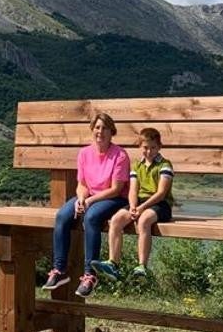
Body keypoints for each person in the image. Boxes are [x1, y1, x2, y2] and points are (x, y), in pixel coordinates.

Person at [42, 112, 130, 297]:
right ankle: (59, 271)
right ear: (92, 130)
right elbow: (82, 184)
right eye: (97, 127)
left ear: (111, 131)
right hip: (89, 196)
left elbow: (116, 189)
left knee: (91, 217)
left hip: (113, 198)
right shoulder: (84, 153)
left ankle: (90, 275)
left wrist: (89, 201)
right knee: (62, 216)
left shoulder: (120, 155)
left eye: (105, 128)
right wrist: (81, 198)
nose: (100, 131)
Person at [93, 127, 174, 279]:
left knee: (143, 221)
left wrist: (142, 208)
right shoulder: (137, 166)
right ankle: (113, 263)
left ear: (159, 147)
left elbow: (161, 193)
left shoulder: (165, 165)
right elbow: (132, 190)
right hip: (139, 203)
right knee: (116, 220)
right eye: (145, 148)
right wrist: (132, 206)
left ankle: (142, 265)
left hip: (160, 204)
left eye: (153, 148)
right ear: (139, 146)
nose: (149, 151)